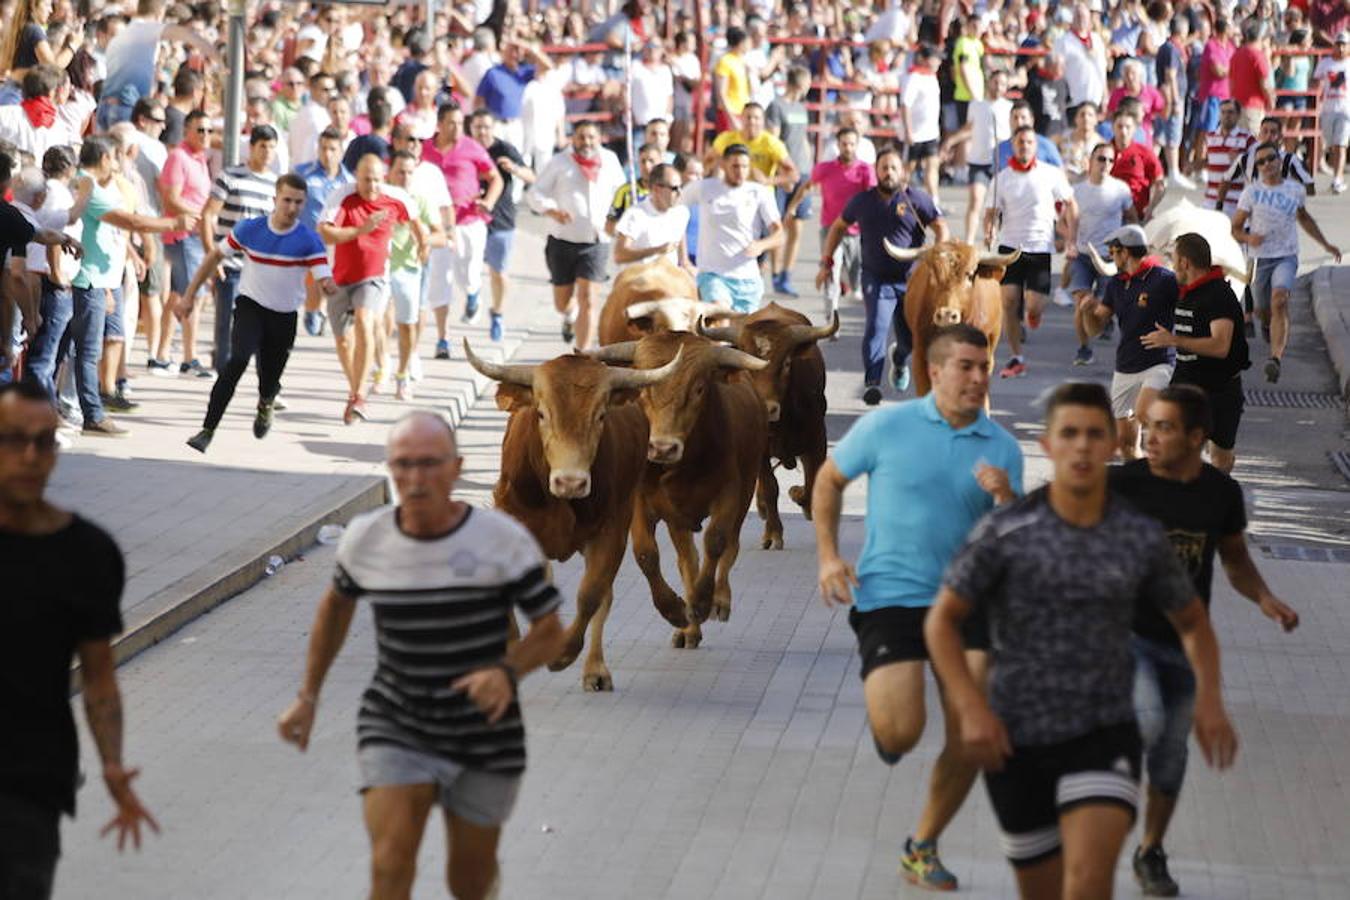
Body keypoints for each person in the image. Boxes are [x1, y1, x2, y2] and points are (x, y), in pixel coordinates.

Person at [925, 381, 1239, 900]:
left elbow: (1192, 621)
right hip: (1018, 737)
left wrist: (1208, 701)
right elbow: (942, 622)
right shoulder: (1006, 531)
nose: (1082, 446)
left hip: (1105, 733)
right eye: (1069, 434)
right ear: (1047, 445)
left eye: (1095, 435)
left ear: (1115, 445)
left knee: (1089, 882)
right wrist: (970, 709)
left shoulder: (1137, 536)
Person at [276, 410, 565, 900]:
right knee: (390, 864)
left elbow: (551, 632)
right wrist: (308, 695)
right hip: (396, 719)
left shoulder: (500, 541)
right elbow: (335, 608)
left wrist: (506, 672)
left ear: (456, 468)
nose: (415, 478)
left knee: (468, 882)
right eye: (403, 465)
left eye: (430, 464)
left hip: (485, 729)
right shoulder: (368, 537)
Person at [812, 325, 1022, 893]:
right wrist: (829, 557)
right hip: (893, 597)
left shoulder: (1001, 447)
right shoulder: (886, 425)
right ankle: (893, 725)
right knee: (903, 732)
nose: (979, 378)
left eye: (985, 366)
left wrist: (1006, 498)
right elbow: (828, 482)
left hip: (968, 604)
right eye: (967, 366)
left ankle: (922, 845)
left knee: (975, 735)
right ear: (934, 372)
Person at [1110, 384, 1299, 897]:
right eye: (1149, 425)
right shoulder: (1122, 485)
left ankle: (1150, 850)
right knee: (1146, 719)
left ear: (1197, 437)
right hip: (1122, 639)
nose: (1150, 436)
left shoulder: (1219, 493)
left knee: (1170, 755)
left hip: (1182, 643)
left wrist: (1264, 598)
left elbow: (1235, 561)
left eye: (1166, 427)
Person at [0, 379, 160, 899]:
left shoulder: (88, 554)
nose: (30, 456)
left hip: (32, 777)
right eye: (13, 439)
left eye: (44, 441)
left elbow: (99, 679)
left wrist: (112, 764)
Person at [182, 175, 336, 453]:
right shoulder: (251, 229)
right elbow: (216, 256)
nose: (292, 207)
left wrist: (328, 285)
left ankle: (266, 402)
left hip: (284, 316)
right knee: (237, 359)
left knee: (269, 377)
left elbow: (323, 275)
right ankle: (207, 430)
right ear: (275, 199)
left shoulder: (308, 240)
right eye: (287, 200)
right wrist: (190, 295)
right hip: (251, 306)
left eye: (298, 202)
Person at [820, 146, 947, 404]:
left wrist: (937, 250)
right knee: (876, 326)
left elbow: (940, 226)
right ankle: (872, 383)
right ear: (876, 171)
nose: (888, 172)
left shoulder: (917, 199)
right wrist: (827, 260)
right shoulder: (862, 201)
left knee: (909, 341)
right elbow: (838, 227)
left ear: (902, 172)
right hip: (876, 278)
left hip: (911, 281)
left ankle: (899, 360)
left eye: (893, 168)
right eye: (884, 167)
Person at [318, 154, 424, 426]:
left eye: (377, 179)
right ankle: (355, 391)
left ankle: (360, 396)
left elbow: (415, 220)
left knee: (366, 320)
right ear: (356, 177)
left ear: (384, 177)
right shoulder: (342, 197)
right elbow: (326, 233)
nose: (372, 186)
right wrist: (360, 230)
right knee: (343, 342)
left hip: (374, 277)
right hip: (340, 277)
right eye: (366, 180)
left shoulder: (394, 197)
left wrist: (423, 244)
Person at [1231, 142, 1342, 384]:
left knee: (1280, 300)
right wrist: (1249, 238)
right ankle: (1268, 325)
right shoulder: (1251, 193)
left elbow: (1304, 218)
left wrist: (1326, 245)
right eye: (1261, 162)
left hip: (1286, 255)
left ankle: (1275, 359)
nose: (1267, 164)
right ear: (1257, 167)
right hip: (1260, 258)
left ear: (1279, 161)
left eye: (1271, 158)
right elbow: (1236, 229)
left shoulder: (1294, 190)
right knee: (1262, 309)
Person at [984, 126, 1078, 380]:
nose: (1024, 146)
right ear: (1013, 146)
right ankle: (1017, 357)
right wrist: (989, 231)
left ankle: (1032, 315)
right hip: (1010, 248)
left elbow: (1071, 204)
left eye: (1028, 142)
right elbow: (991, 211)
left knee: (1035, 306)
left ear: (1036, 147)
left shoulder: (1050, 174)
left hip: (1039, 249)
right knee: (1008, 302)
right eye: (1020, 142)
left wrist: (1071, 238)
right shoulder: (1001, 178)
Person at [1081, 225, 1179, 459]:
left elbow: (1193, 306)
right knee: (1125, 444)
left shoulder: (1163, 279)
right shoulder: (1116, 283)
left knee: (1145, 414)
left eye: (1114, 252)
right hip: (1125, 365)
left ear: (1125, 252)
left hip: (1159, 362)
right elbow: (1096, 327)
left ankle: (1175, 456)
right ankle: (1144, 483)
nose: (1112, 258)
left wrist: (1178, 340)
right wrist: (1086, 311)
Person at [528, 120, 626, 349]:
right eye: (581, 137)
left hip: (597, 241)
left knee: (589, 299)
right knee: (562, 303)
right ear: (573, 139)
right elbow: (535, 193)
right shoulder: (560, 162)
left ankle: (582, 356)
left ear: (600, 138)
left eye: (591, 137)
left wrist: (617, 218)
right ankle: (570, 315)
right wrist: (552, 210)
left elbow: (622, 194)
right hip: (563, 240)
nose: (586, 142)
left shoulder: (609, 161)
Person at [421, 102, 503, 346]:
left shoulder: (472, 147)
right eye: (451, 123)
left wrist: (488, 200)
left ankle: (473, 293)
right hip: (438, 224)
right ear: (439, 124)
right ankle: (443, 338)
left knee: (467, 273)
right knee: (441, 277)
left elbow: (495, 178)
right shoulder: (424, 149)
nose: (457, 128)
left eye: (460, 123)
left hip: (470, 220)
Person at [200, 124, 278, 375]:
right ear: (252, 147)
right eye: (262, 146)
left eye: (271, 147)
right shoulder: (230, 176)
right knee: (228, 324)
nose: (267, 152)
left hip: (261, 268)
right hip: (231, 264)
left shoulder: (275, 184)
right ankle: (224, 374)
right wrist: (213, 257)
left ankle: (266, 382)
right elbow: (208, 215)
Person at [682, 143, 784, 316]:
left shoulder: (759, 192)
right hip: (712, 274)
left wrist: (761, 245)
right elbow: (673, 211)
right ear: (723, 164)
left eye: (744, 166)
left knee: (743, 336)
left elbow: (779, 235)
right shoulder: (703, 188)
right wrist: (684, 260)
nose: (740, 171)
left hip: (747, 278)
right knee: (720, 316)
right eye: (735, 166)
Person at [792, 126, 875, 318]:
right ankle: (832, 318)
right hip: (830, 230)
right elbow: (807, 186)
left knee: (856, 280)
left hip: (856, 231)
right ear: (838, 145)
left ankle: (851, 286)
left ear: (857, 145)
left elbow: (874, 197)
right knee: (831, 272)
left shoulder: (865, 170)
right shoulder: (825, 169)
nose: (847, 148)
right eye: (844, 144)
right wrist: (793, 206)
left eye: (851, 144)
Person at [1067, 143, 1135, 366]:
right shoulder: (1076, 191)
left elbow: (1132, 220)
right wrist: (1068, 242)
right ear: (1090, 161)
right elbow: (1062, 223)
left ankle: (1105, 323)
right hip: (1083, 255)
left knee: (1102, 309)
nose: (1105, 164)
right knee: (1082, 302)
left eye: (1110, 160)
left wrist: (1133, 248)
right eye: (1101, 159)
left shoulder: (1121, 190)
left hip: (1111, 258)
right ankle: (1084, 348)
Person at [158, 109, 214, 379]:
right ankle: (189, 358)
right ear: (187, 130)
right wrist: (198, 214)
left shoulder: (199, 159)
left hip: (194, 235)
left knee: (179, 295)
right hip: (182, 234)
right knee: (194, 294)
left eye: (208, 130)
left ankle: (162, 353)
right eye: (200, 130)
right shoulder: (178, 157)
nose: (205, 135)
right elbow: (170, 198)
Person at [468, 109, 531, 344]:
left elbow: (531, 176)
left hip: (501, 219)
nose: (482, 131)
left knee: (498, 272)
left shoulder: (504, 150)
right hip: (471, 219)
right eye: (477, 127)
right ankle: (472, 296)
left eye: (486, 127)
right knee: (468, 266)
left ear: (493, 128)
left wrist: (513, 169)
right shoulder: (465, 148)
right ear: (471, 128)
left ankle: (498, 314)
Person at [942, 68, 1013, 243]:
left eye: (1003, 84)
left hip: (1000, 163)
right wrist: (951, 141)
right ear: (989, 82)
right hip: (978, 162)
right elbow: (969, 128)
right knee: (975, 200)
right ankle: (970, 241)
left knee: (997, 206)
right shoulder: (976, 105)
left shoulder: (1009, 108)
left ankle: (992, 235)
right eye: (995, 82)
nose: (998, 86)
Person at [766, 66, 815, 299]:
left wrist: (809, 168)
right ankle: (775, 274)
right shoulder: (777, 106)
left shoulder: (801, 108)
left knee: (797, 226)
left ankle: (787, 274)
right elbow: (772, 142)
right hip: (785, 174)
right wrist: (781, 175)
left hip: (803, 172)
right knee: (779, 225)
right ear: (801, 82)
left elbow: (803, 139)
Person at [612, 162, 692, 270]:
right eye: (674, 188)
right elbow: (619, 255)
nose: (680, 193)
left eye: (681, 187)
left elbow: (684, 261)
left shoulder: (682, 213)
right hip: (640, 280)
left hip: (667, 280)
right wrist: (656, 250)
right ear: (657, 189)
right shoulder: (636, 214)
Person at [901, 44, 943, 201]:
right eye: (935, 59)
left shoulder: (932, 78)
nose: (938, 63)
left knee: (932, 167)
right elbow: (905, 104)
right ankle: (898, 200)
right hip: (916, 133)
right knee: (907, 169)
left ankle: (934, 202)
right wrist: (908, 130)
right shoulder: (913, 78)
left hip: (931, 132)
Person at [1156, 17, 1194, 188]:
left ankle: (1160, 170)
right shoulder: (1172, 49)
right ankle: (1173, 172)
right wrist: (1175, 100)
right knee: (1171, 135)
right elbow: (1170, 75)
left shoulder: (1166, 47)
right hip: (1170, 98)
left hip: (1166, 96)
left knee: (1161, 136)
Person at [1108, 109, 1166, 219]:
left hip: (1137, 215)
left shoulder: (1144, 153)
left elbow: (1160, 184)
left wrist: (1150, 208)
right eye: (1119, 126)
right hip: (1109, 215)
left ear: (1135, 129)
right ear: (1113, 127)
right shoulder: (1103, 153)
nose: (1123, 131)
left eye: (1128, 127)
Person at [1204, 99, 1255, 215]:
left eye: (1231, 112)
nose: (1227, 116)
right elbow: (1208, 162)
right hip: (1210, 200)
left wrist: (1241, 160)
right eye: (1223, 112)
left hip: (1236, 201)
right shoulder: (1210, 137)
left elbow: (1257, 166)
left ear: (1238, 115)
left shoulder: (1248, 138)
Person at [1314, 31, 1350, 194]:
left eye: (1344, 45)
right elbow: (1316, 83)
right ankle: (1331, 173)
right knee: (1329, 143)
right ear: (1334, 46)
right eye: (1339, 44)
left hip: (1345, 110)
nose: (1341, 48)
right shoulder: (1325, 63)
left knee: (1340, 145)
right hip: (1328, 109)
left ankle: (1337, 179)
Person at [1229, 19, 1276, 134]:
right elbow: (1264, 84)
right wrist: (1271, 101)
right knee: (1253, 144)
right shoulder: (1258, 56)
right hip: (1253, 107)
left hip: (1237, 106)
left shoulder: (1237, 54)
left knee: (1239, 143)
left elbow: (1231, 83)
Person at [713, 26, 752, 133]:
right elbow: (721, 93)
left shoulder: (742, 62)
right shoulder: (725, 61)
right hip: (730, 113)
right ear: (740, 43)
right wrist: (731, 118)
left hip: (742, 111)